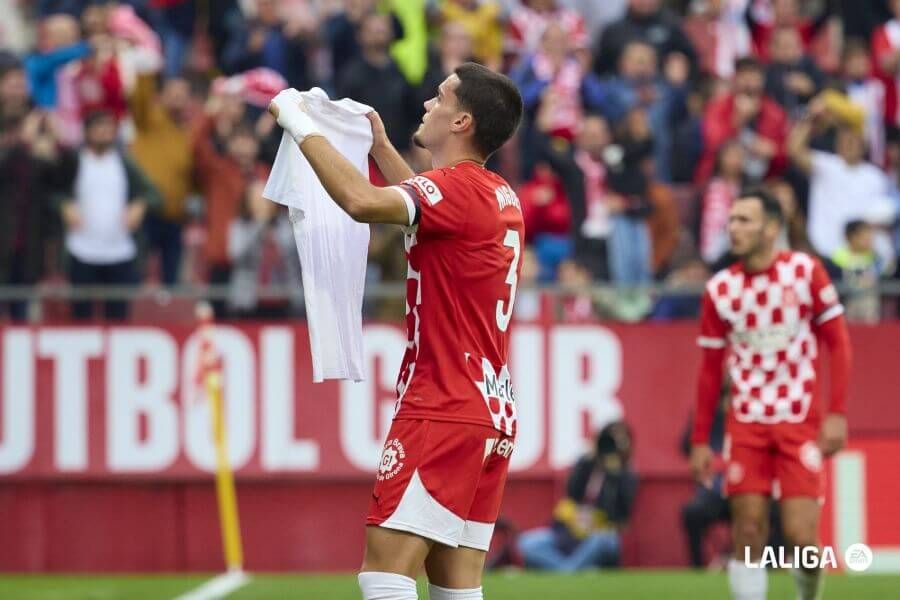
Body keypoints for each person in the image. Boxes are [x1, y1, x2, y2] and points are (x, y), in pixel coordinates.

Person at [268, 62, 524, 600]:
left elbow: (362, 203)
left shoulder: (455, 191)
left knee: (385, 575)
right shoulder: (498, 194)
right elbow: (426, 203)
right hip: (490, 409)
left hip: (444, 405)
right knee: (456, 585)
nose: (429, 103)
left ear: (462, 122)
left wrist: (300, 123)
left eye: (441, 97)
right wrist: (381, 146)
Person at [690, 188, 852, 600]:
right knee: (747, 531)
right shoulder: (720, 289)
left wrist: (836, 412)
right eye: (732, 220)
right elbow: (710, 371)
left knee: (801, 537)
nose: (734, 228)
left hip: (798, 420)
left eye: (745, 220)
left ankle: (808, 595)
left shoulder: (804, 272)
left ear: (772, 228)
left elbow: (839, 343)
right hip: (745, 423)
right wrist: (699, 440)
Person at [59, 109, 160, 320]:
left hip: (118, 252)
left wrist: (139, 205)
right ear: (87, 132)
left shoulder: (124, 163)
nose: (105, 132)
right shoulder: (73, 162)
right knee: (81, 316)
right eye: (99, 127)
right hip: (82, 250)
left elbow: (153, 193)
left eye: (109, 128)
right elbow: (52, 192)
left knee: (118, 317)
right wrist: (64, 205)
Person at [518, 422, 637, 571]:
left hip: (599, 534)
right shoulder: (587, 464)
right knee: (525, 543)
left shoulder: (627, 474)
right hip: (569, 532)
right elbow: (571, 492)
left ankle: (567, 570)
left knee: (604, 540)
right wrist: (588, 459)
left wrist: (614, 475)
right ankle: (574, 569)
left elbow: (620, 514)